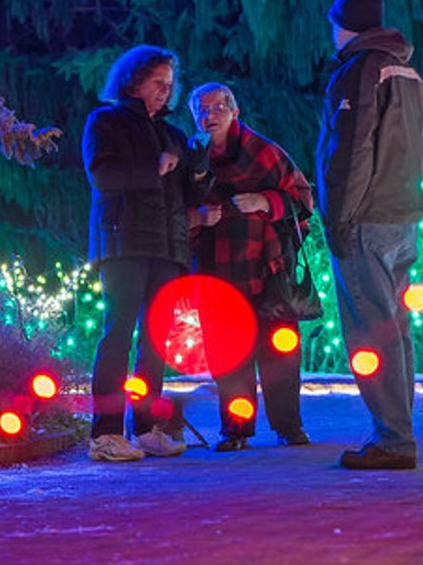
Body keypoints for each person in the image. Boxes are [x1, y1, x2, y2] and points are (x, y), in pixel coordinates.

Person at [315, 0, 423, 470]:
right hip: (402, 215)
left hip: (366, 218)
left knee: (371, 331)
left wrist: (339, 217)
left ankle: (394, 439)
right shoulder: (406, 71)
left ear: (344, 24)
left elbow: (352, 148)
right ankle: (398, 431)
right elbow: (420, 146)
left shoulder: (361, 70)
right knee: (395, 328)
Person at [83, 45, 203, 463]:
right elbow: (103, 176)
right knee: (117, 336)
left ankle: (147, 427)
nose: (164, 93)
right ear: (134, 80)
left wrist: (198, 179)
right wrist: (156, 167)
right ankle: (106, 434)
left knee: (155, 342)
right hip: (123, 244)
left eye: (170, 86)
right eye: (158, 83)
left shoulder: (173, 134)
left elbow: (185, 189)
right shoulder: (107, 121)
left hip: (167, 248)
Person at [185, 82, 315, 452]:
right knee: (228, 355)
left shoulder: (263, 152)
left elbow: (302, 198)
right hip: (217, 273)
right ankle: (235, 430)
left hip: (267, 270)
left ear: (234, 112)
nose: (208, 116)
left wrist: (265, 200)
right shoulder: (194, 158)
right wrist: (195, 217)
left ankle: (289, 426)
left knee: (279, 353)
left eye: (216, 108)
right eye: (201, 109)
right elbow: (175, 208)